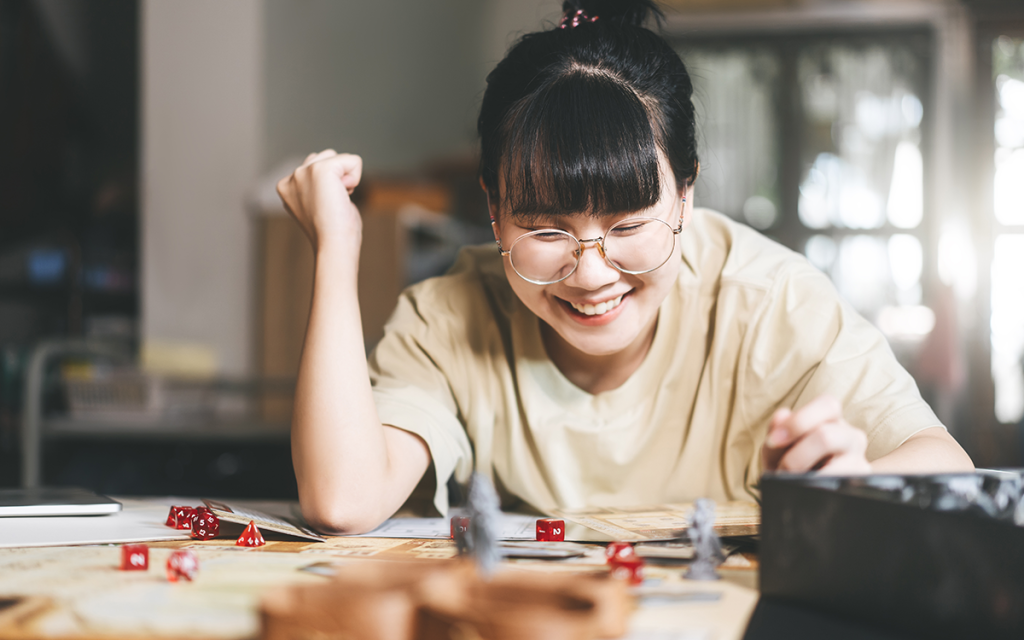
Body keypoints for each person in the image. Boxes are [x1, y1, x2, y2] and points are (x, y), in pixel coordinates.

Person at [276, 0, 974, 535]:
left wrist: (860, 485)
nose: (591, 272)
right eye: (546, 227)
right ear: (493, 206)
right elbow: (342, 499)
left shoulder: (767, 300)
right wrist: (335, 250)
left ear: (687, 194)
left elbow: (948, 467)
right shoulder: (450, 316)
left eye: (630, 225)